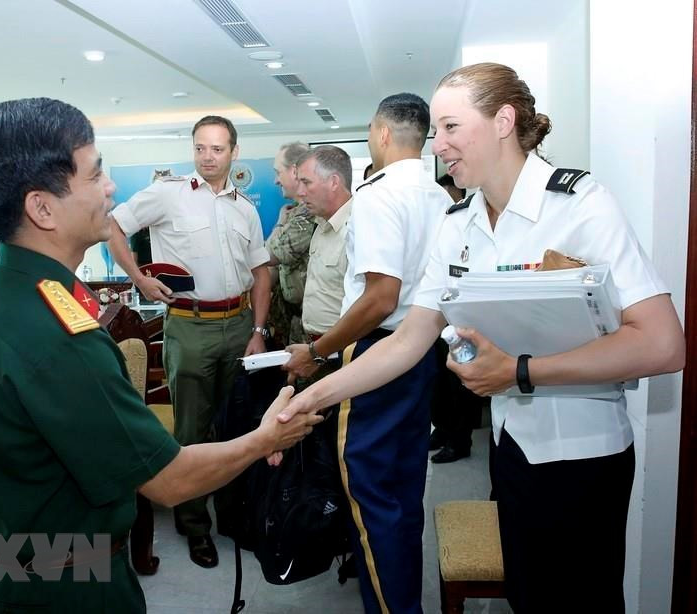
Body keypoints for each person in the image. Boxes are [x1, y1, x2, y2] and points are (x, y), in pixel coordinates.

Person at [278, 63, 686, 613]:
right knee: (526, 595)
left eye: (450, 128)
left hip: (582, 457)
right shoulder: (459, 222)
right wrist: (311, 398)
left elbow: (663, 344)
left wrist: (519, 372)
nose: (436, 145)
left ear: (503, 121)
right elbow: (408, 338)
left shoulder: (579, 203)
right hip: (512, 448)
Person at [0, 97, 320, 613]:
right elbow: (170, 480)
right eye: (95, 173)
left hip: (19, 561)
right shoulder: (57, 334)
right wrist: (267, 437)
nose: (111, 187)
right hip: (68, 582)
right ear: (42, 206)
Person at [282, 93, 453, 614]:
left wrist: (317, 349)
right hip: (421, 352)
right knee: (402, 494)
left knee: (371, 496)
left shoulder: (378, 195)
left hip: (380, 355)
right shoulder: (441, 196)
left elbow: (380, 297)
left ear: (381, 134)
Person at [106, 115, 271, 569]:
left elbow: (261, 274)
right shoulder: (167, 193)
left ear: (233, 152)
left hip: (239, 326)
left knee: (237, 427)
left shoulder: (246, 208)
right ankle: (194, 526)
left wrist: (258, 331)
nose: (208, 157)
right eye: (201, 148)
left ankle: (233, 518)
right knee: (192, 433)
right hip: (190, 325)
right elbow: (112, 226)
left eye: (218, 149)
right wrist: (138, 278)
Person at [428, 174, 486, 464]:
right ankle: (444, 430)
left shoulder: (474, 221)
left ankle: (459, 441)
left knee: (461, 390)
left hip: (471, 325)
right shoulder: (450, 222)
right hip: (444, 321)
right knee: (442, 386)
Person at [293, 145, 353, 384]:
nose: (300, 192)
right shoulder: (321, 225)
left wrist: (319, 351)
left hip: (343, 352)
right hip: (316, 350)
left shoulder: (357, 228)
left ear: (334, 182)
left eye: (306, 183)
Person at [266, 141, 315, 347]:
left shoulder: (308, 212)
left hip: (310, 322)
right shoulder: (294, 211)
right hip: (296, 319)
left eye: (279, 172)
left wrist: (279, 224)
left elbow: (271, 255)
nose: (277, 180)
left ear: (294, 171)